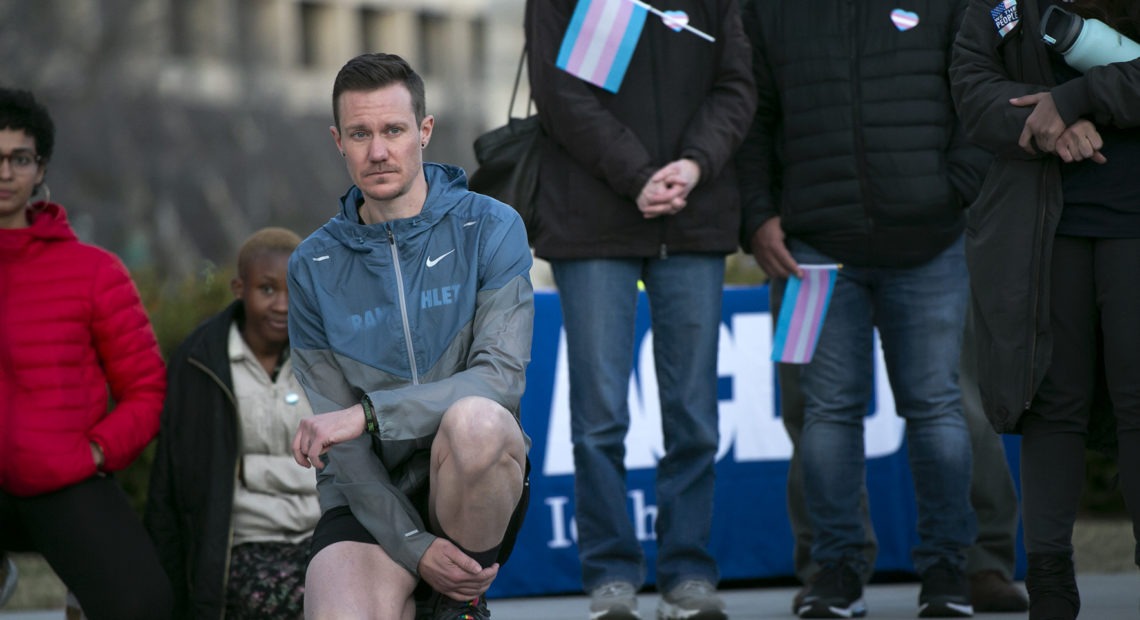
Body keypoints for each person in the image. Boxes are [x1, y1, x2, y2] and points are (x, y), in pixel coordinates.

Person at [737, 0, 991, 616]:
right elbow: (754, 118)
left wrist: (952, 190)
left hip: (931, 243)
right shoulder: (767, 10)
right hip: (814, 251)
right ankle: (837, 570)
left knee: (936, 409)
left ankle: (948, 573)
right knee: (826, 414)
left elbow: (978, 97)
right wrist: (758, 217)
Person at [524, 2, 756, 618]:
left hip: (694, 214)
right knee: (599, 417)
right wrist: (638, 174)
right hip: (592, 222)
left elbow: (736, 86)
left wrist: (695, 163)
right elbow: (560, 91)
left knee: (695, 417)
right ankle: (610, 574)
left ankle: (687, 574)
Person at [288, 53, 534, 620]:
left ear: (424, 131)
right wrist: (414, 548)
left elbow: (500, 379)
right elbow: (340, 447)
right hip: (370, 497)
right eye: (360, 133)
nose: (378, 151)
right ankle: (424, 588)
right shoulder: (312, 264)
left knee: (476, 420)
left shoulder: (492, 226)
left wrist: (369, 413)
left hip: (473, 479)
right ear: (338, 140)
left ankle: (459, 605)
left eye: (393, 130)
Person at [950, 1, 1140, 618]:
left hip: (1133, 226)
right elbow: (972, 87)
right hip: (1042, 231)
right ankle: (1052, 589)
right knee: (1051, 406)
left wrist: (1081, 95)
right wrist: (1050, 119)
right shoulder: (1003, 4)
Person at [0, 87, 173, 619]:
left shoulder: (94, 271)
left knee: (143, 605)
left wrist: (97, 453)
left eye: (18, 158)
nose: (4, 172)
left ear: (40, 167)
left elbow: (146, 388)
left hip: (62, 477)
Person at [773, 297, 1029, 614]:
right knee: (810, 411)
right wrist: (753, 242)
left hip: (933, 259)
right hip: (809, 259)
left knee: (956, 401)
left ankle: (978, 562)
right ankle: (826, 566)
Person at [145, 226, 319, 619]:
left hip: (321, 535)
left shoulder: (326, 358)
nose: (282, 305)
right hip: (243, 543)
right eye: (267, 289)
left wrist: (251, 471)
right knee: (288, 599)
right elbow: (177, 480)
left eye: (294, 290)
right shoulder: (200, 362)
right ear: (240, 288)